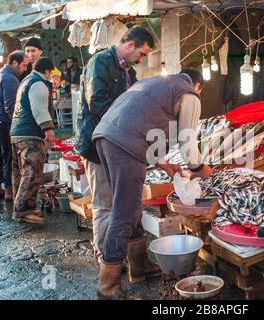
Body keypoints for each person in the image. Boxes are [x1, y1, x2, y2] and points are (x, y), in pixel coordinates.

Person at [92, 69, 214, 300]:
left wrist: (164, 164)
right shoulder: (189, 94)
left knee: (129, 206)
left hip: (105, 137)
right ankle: (107, 289)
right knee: (123, 213)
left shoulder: (154, 84)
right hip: (124, 145)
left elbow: (140, 122)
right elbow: (187, 143)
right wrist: (200, 169)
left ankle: (139, 266)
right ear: (198, 85)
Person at [74, 26, 154, 265]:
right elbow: (96, 102)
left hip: (119, 146)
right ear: (130, 45)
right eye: (141, 54)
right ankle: (106, 259)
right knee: (105, 204)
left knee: (125, 204)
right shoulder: (100, 62)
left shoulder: (128, 71)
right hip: (96, 146)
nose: (141, 60)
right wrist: (128, 123)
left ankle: (131, 259)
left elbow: (136, 100)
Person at [9, 57, 56, 224]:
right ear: (47, 71)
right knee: (32, 172)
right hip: (30, 134)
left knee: (20, 173)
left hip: (17, 132)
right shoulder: (38, 83)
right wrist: (48, 130)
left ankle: (22, 205)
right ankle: (22, 210)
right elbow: (39, 108)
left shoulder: (26, 80)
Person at [0, 50, 29, 201]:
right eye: (23, 65)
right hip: (4, 121)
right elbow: (11, 106)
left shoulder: (0, 73)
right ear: (14, 63)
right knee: (9, 156)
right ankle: (9, 190)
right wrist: (19, 123)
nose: (25, 69)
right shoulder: (10, 78)